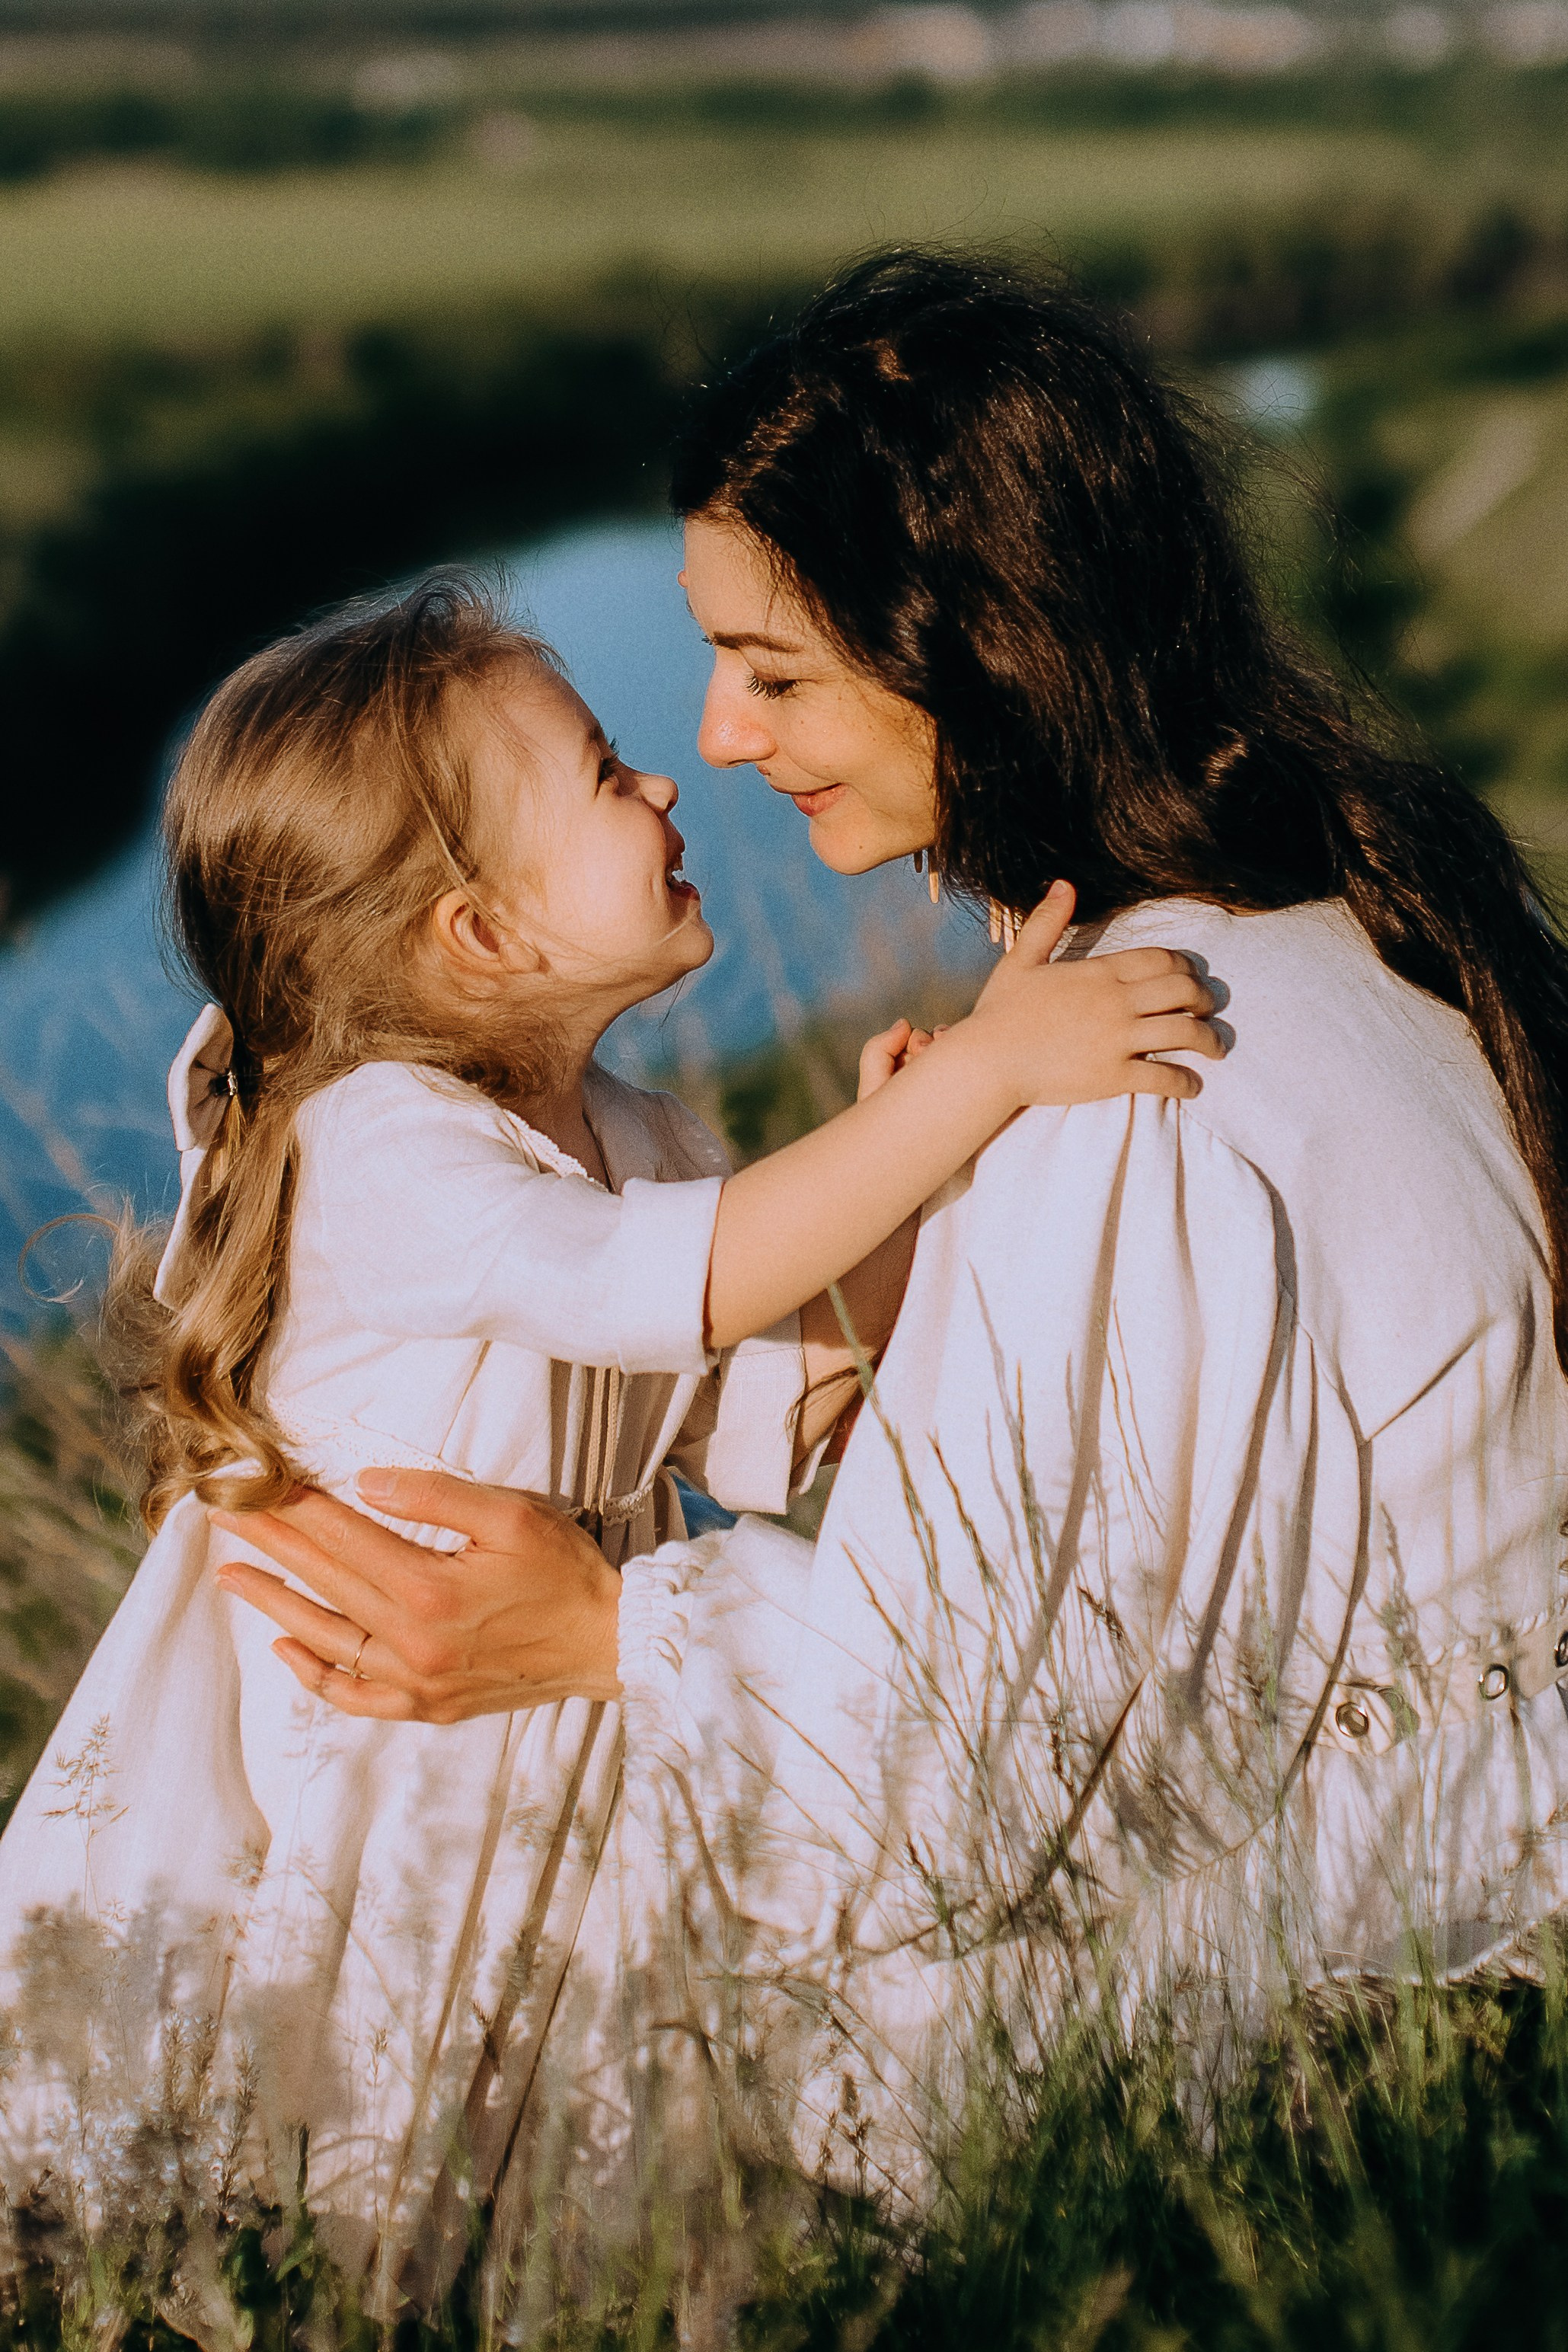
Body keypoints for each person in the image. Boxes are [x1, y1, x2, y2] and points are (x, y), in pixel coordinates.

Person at [225, 252, 1568, 2247]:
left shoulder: (1141, 1067)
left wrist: (607, 1634)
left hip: (1391, 2002)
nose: (716, 735)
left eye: (773, 668)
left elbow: (1001, 1766)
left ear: (971, 642)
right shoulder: (1337, 934)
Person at [0, 572, 1216, 2294]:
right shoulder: (383, 1145)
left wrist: (892, 1191)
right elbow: (686, 1282)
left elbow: (750, 1416)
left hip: (567, 1736)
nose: (661, 784)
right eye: (602, 775)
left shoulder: (627, 1122)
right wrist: (983, 1079)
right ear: (479, 936)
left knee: (583, 2175)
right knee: (371, 2180)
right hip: (404, 1784)